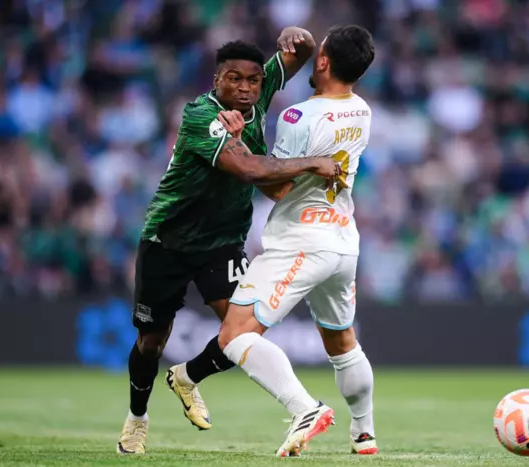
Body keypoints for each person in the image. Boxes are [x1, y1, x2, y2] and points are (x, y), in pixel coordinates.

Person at [117, 27, 341, 455]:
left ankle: (192, 379)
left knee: (241, 329)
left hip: (222, 243)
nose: (244, 88)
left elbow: (303, 51)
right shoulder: (201, 115)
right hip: (168, 241)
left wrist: (299, 36)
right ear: (216, 79)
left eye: (253, 80)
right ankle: (137, 419)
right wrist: (313, 161)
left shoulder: (259, 93)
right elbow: (249, 170)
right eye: (233, 79)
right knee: (151, 342)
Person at [176, 24, 378, 457]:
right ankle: (364, 433)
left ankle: (304, 409)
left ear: (323, 62)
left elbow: (278, 188)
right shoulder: (362, 110)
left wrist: (240, 142)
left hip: (300, 240)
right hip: (343, 239)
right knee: (343, 343)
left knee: (234, 336)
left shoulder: (297, 117)